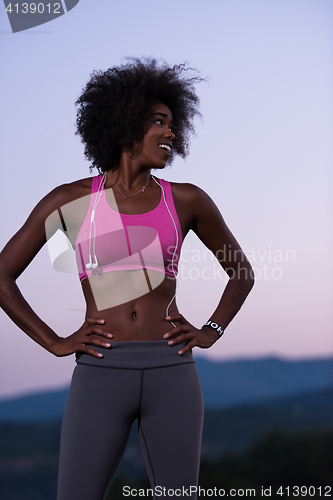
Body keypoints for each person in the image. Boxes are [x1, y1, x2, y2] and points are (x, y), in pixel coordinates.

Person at [0, 58, 254, 500]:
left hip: (172, 370)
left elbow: (241, 272)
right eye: (159, 122)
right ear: (123, 120)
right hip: (100, 370)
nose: (171, 133)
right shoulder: (70, 200)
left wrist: (212, 329)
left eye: (173, 124)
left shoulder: (188, 200)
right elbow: (3, 275)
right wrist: (55, 342)